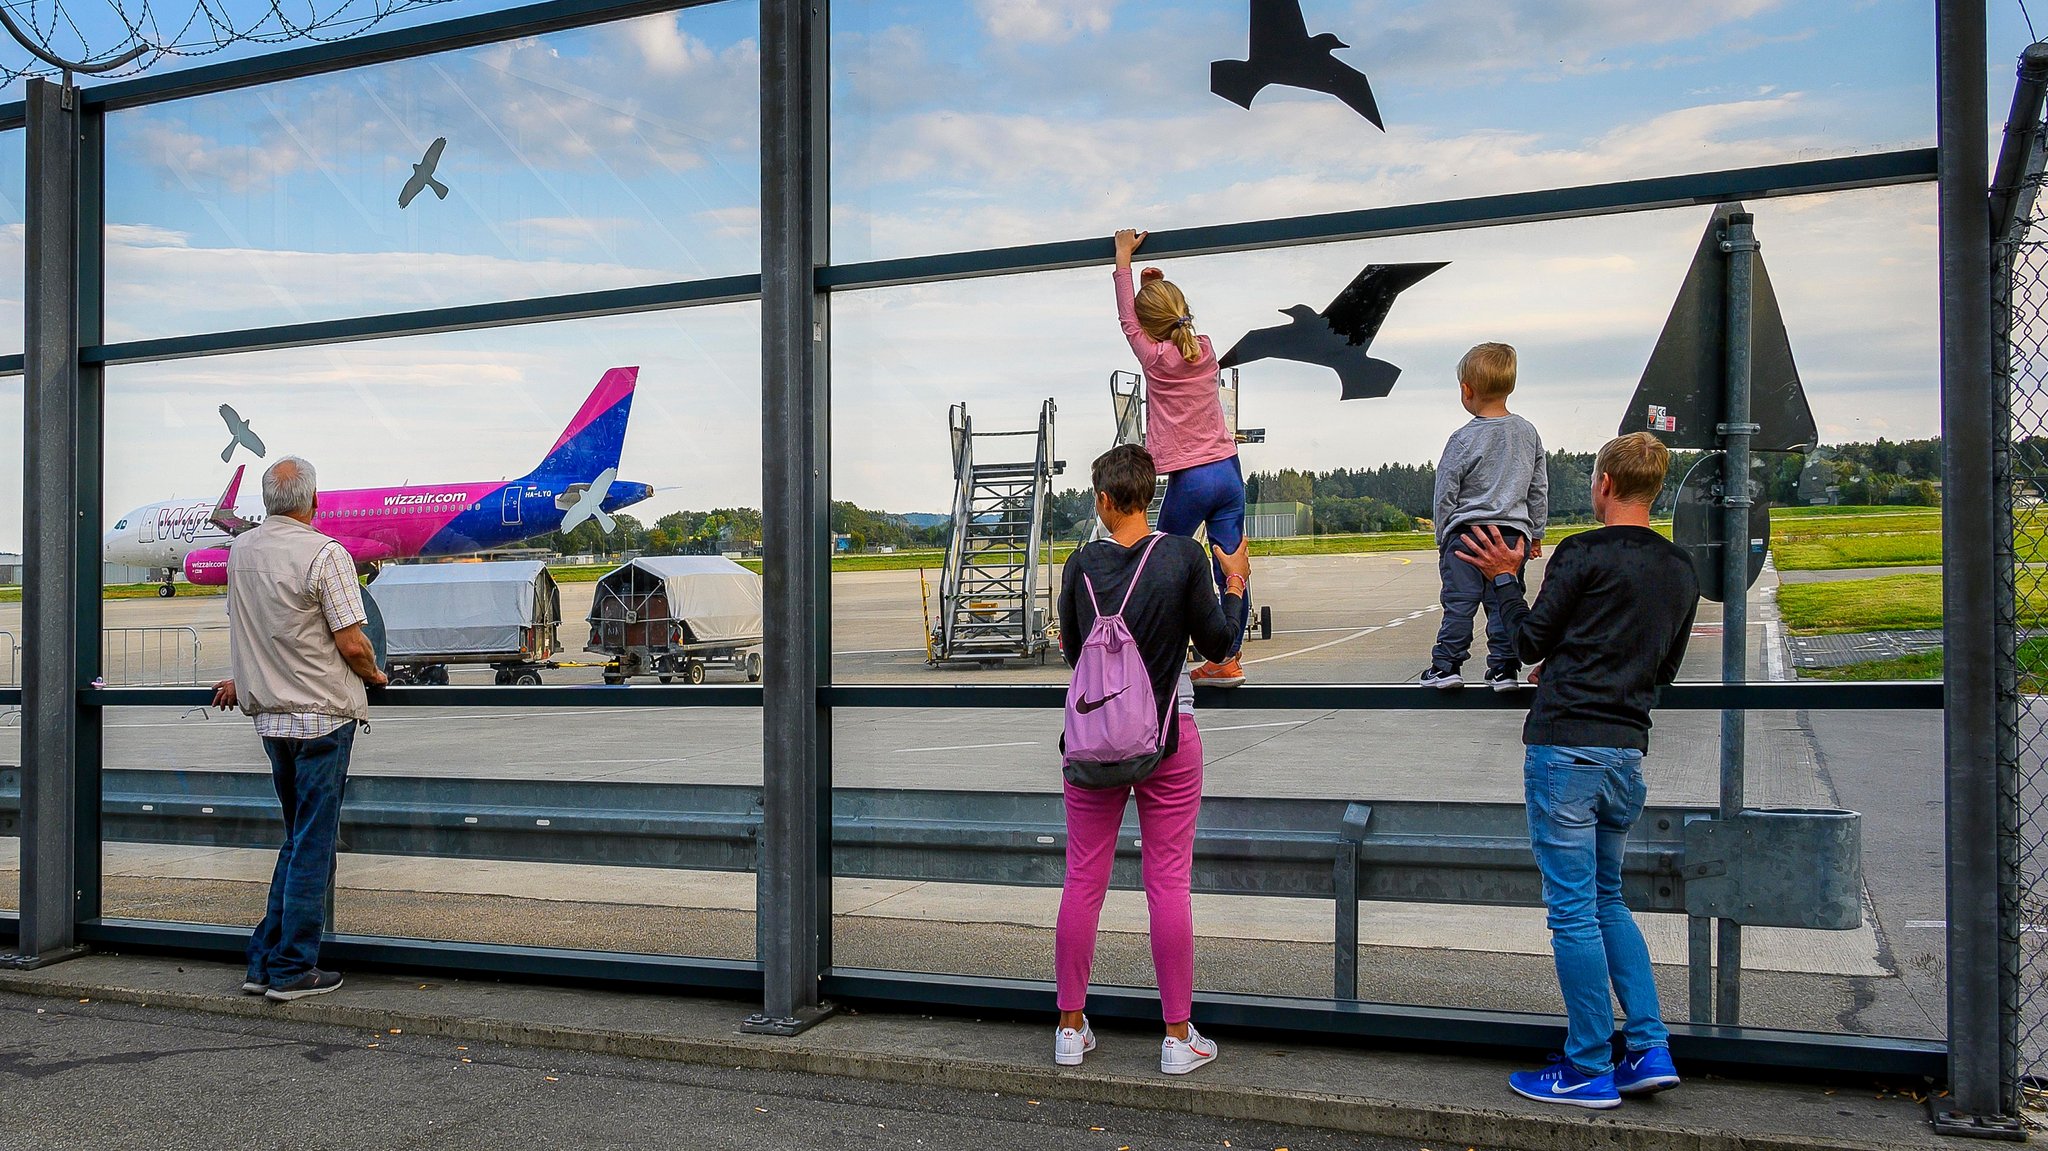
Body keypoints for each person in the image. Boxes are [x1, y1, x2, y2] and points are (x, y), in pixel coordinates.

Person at [1455, 432, 1698, 1109]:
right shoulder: (1681, 569)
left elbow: (1529, 638)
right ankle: (1647, 1045)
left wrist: (1505, 579)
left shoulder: (1583, 551)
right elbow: (1664, 669)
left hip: (1567, 748)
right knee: (1607, 898)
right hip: (1627, 752)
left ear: (1604, 485)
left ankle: (1588, 1063)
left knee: (1572, 913)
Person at [1054, 443, 1250, 1075]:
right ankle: (1175, 1035)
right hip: (1167, 737)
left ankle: (1070, 1027)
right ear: (1150, 495)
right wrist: (1236, 583)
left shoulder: (1077, 565)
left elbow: (1071, 649)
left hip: (1091, 742)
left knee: (1084, 880)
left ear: (1105, 501)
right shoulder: (1183, 557)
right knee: (1167, 882)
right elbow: (1220, 641)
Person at [209, 456, 387, 1003]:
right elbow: (351, 642)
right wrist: (376, 674)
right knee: (313, 844)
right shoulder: (326, 554)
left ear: (267, 503)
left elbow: (260, 630)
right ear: (315, 501)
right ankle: (292, 968)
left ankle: (263, 961)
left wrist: (243, 678)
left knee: (296, 838)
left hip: (271, 719)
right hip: (322, 718)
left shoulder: (241, 551)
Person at [1112, 226, 1249, 688]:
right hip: (1229, 471)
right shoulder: (1206, 349)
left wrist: (1123, 259)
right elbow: (1163, 323)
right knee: (1231, 561)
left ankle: (1154, 655)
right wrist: (1156, 289)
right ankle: (1227, 659)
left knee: (1163, 566)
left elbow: (1130, 322)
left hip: (1190, 479)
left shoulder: (1153, 360)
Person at [1421, 342, 1549, 692]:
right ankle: (1505, 670)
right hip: (1511, 538)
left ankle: (1447, 665)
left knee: (1460, 604)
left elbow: (1445, 491)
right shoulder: (1527, 433)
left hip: (1467, 534)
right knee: (1502, 604)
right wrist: (1535, 533)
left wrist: (1443, 534)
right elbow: (1538, 488)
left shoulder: (1462, 439)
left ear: (1466, 390)